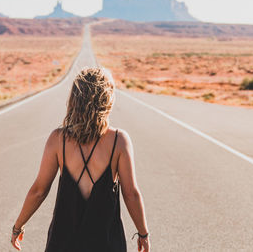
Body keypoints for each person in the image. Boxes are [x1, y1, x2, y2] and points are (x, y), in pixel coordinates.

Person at [11, 67, 150, 252]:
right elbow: (131, 193)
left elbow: (39, 191)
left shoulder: (58, 140)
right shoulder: (119, 140)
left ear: (74, 99)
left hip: (63, 242)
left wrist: (17, 227)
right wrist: (143, 234)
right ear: (107, 99)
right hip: (106, 242)